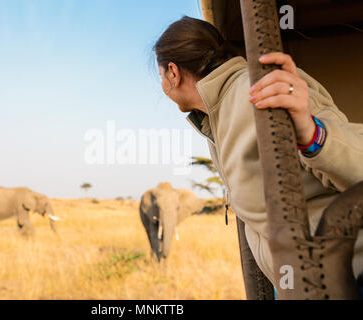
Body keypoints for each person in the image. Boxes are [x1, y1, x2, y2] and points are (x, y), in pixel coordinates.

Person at [153, 16, 363, 287]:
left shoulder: (258, 90)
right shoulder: (215, 116)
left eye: (160, 76)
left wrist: (314, 134)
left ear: (173, 72)